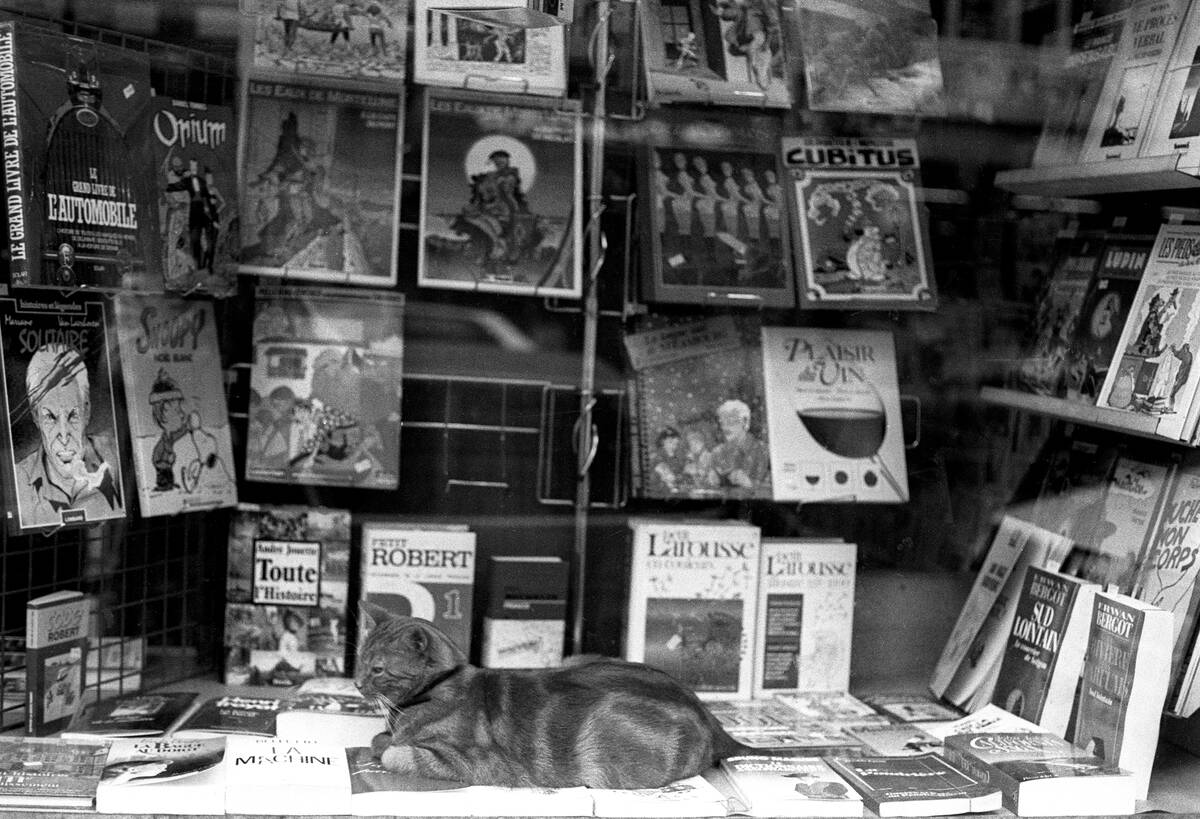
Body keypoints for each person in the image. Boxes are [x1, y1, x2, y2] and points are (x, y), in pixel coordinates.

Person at [13, 344, 122, 527]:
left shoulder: (115, 454)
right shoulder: (20, 479)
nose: (64, 437)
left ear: (86, 410)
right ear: (35, 416)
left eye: (73, 415)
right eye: (50, 417)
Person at [709, 398, 769, 490]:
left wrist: (749, 483)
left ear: (745, 422)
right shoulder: (717, 452)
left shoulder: (763, 450)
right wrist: (711, 482)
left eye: (731, 422)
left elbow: (779, 490)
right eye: (722, 423)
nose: (725, 427)